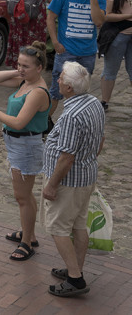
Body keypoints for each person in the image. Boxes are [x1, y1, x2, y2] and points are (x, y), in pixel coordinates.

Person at [41, 62, 105, 299]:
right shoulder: (94, 103)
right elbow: (101, 139)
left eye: (59, 78)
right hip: (87, 176)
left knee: (58, 227)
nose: (56, 80)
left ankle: (75, 279)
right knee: (78, 225)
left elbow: (66, 158)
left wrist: (51, 185)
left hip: (69, 182)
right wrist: (89, 159)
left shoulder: (71, 115)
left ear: (68, 87)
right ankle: (73, 269)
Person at [0, 43, 51, 262]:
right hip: (17, 146)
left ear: (40, 68)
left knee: (22, 197)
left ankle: (27, 243)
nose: (21, 69)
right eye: (19, 64)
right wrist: (20, 71)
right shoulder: (25, 81)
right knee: (24, 196)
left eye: (26, 66)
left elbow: (18, 122)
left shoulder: (37, 92)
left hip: (26, 147)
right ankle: (29, 233)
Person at [46, 0, 105, 114]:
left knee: (80, 93)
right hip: (66, 51)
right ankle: (45, 125)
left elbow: (98, 22)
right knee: (56, 91)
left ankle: (74, 121)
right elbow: (51, 18)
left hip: (87, 53)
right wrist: (55, 42)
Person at [98, 0, 132, 111]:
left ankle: (105, 101)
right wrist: (127, 16)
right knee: (110, 70)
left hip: (128, 35)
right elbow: (106, 16)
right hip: (117, 35)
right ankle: (104, 101)